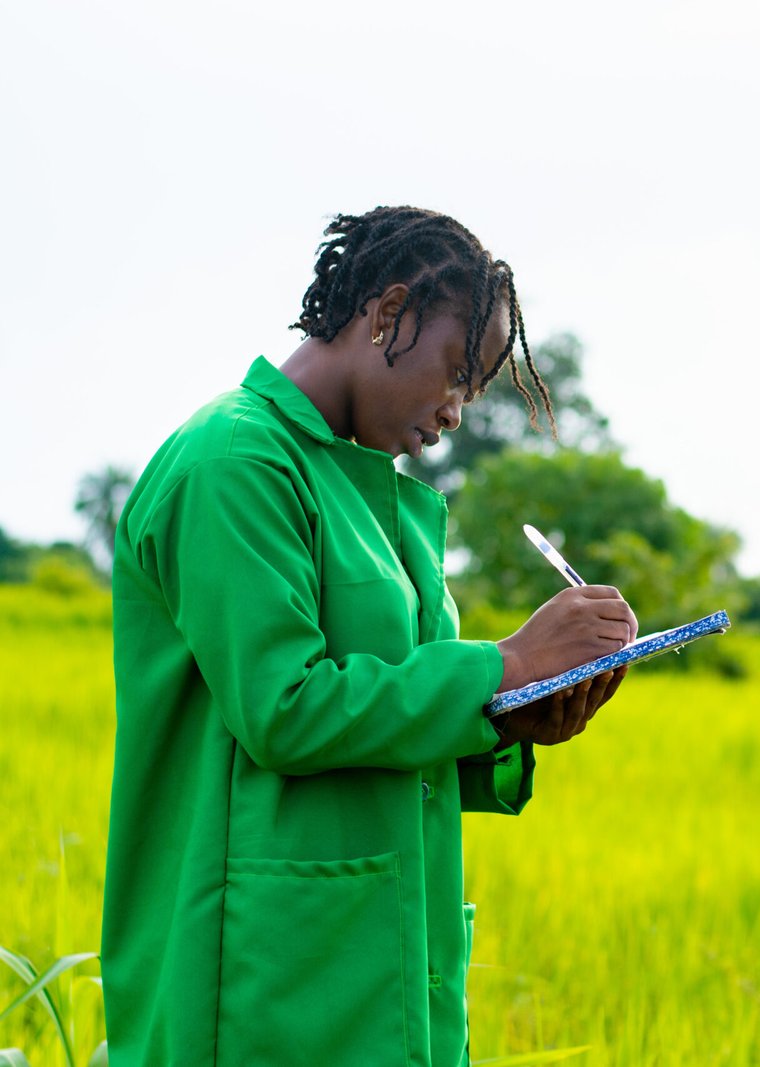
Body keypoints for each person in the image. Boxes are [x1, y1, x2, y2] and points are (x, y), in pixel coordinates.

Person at [102, 206, 637, 1065]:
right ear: (388, 314)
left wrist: (511, 712)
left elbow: (392, 718)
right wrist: (505, 666)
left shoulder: (368, 496)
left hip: (374, 970)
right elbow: (285, 706)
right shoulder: (235, 462)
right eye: (457, 373)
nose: (458, 410)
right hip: (252, 978)